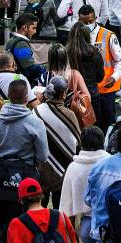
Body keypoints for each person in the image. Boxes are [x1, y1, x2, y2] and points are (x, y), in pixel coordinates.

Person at [0, 79, 50, 227]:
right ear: (27, 98)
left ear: (8, 96)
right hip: (24, 180)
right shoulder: (36, 123)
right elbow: (43, 156)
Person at [33, 76, 81, 207]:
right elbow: (77, 141)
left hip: (40, 166)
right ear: (64, 93)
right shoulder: (70, 114)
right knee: (59, 206)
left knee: (39, 205)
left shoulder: (37, 111)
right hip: (64, 168)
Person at [60, 126, 109, 243]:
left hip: (85, 226)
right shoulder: (110, 162)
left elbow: (66, 207)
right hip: (110, 222)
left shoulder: (73, 167)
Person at [79, 6, 121, 131]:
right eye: (84, 22)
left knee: (107, 122)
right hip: (84, 90)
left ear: (95, 18)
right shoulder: (77, 36)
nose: (88, 24)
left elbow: (120, 60)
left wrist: (114, 78)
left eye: (90, 21)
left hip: (105, 88)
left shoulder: (108, 35)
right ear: (79, 20)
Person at [5, 176, 76, 243]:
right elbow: (73, 240)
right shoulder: (61, 216)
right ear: (41, 196)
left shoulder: (16, 224)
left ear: (22, 201)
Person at [5, 13, 45, 84]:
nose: (35, 32)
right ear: (25, 28)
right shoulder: (21, 44)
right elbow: (30, 69)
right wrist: (45, 67)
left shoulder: (11, 40)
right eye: (33, 28)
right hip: (20, 84)